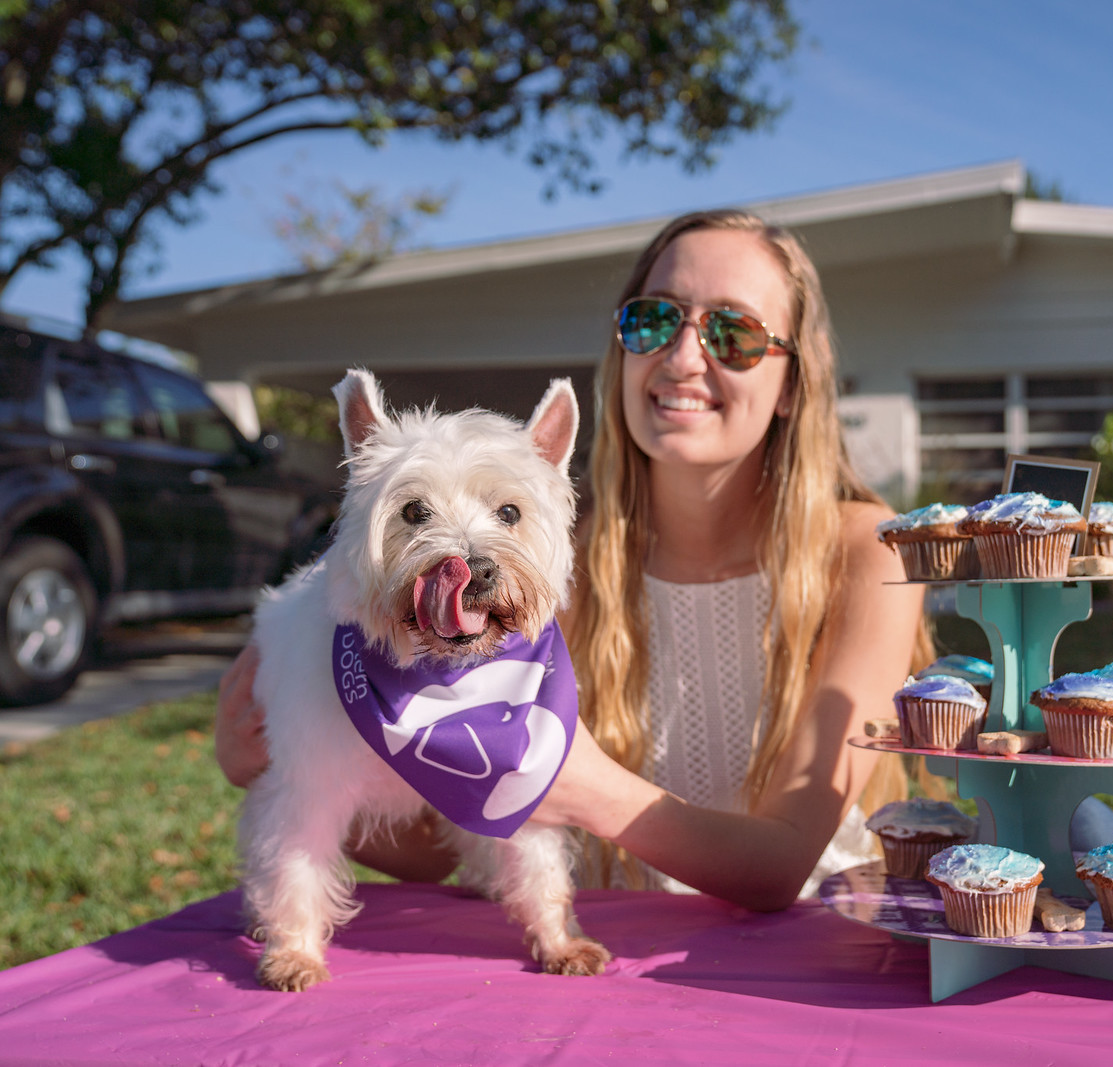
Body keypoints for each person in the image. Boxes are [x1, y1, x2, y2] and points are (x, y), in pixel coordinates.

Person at [215, 209, 930, 910]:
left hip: (806, 960)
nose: (682, 358)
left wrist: (583, 786)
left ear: (792, 385)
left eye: (733, 333)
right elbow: (455, 833)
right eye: (654, 319)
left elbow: (780, 863)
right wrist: (281, 764)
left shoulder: (870, 553)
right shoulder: (543, 567)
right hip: (605, 958)